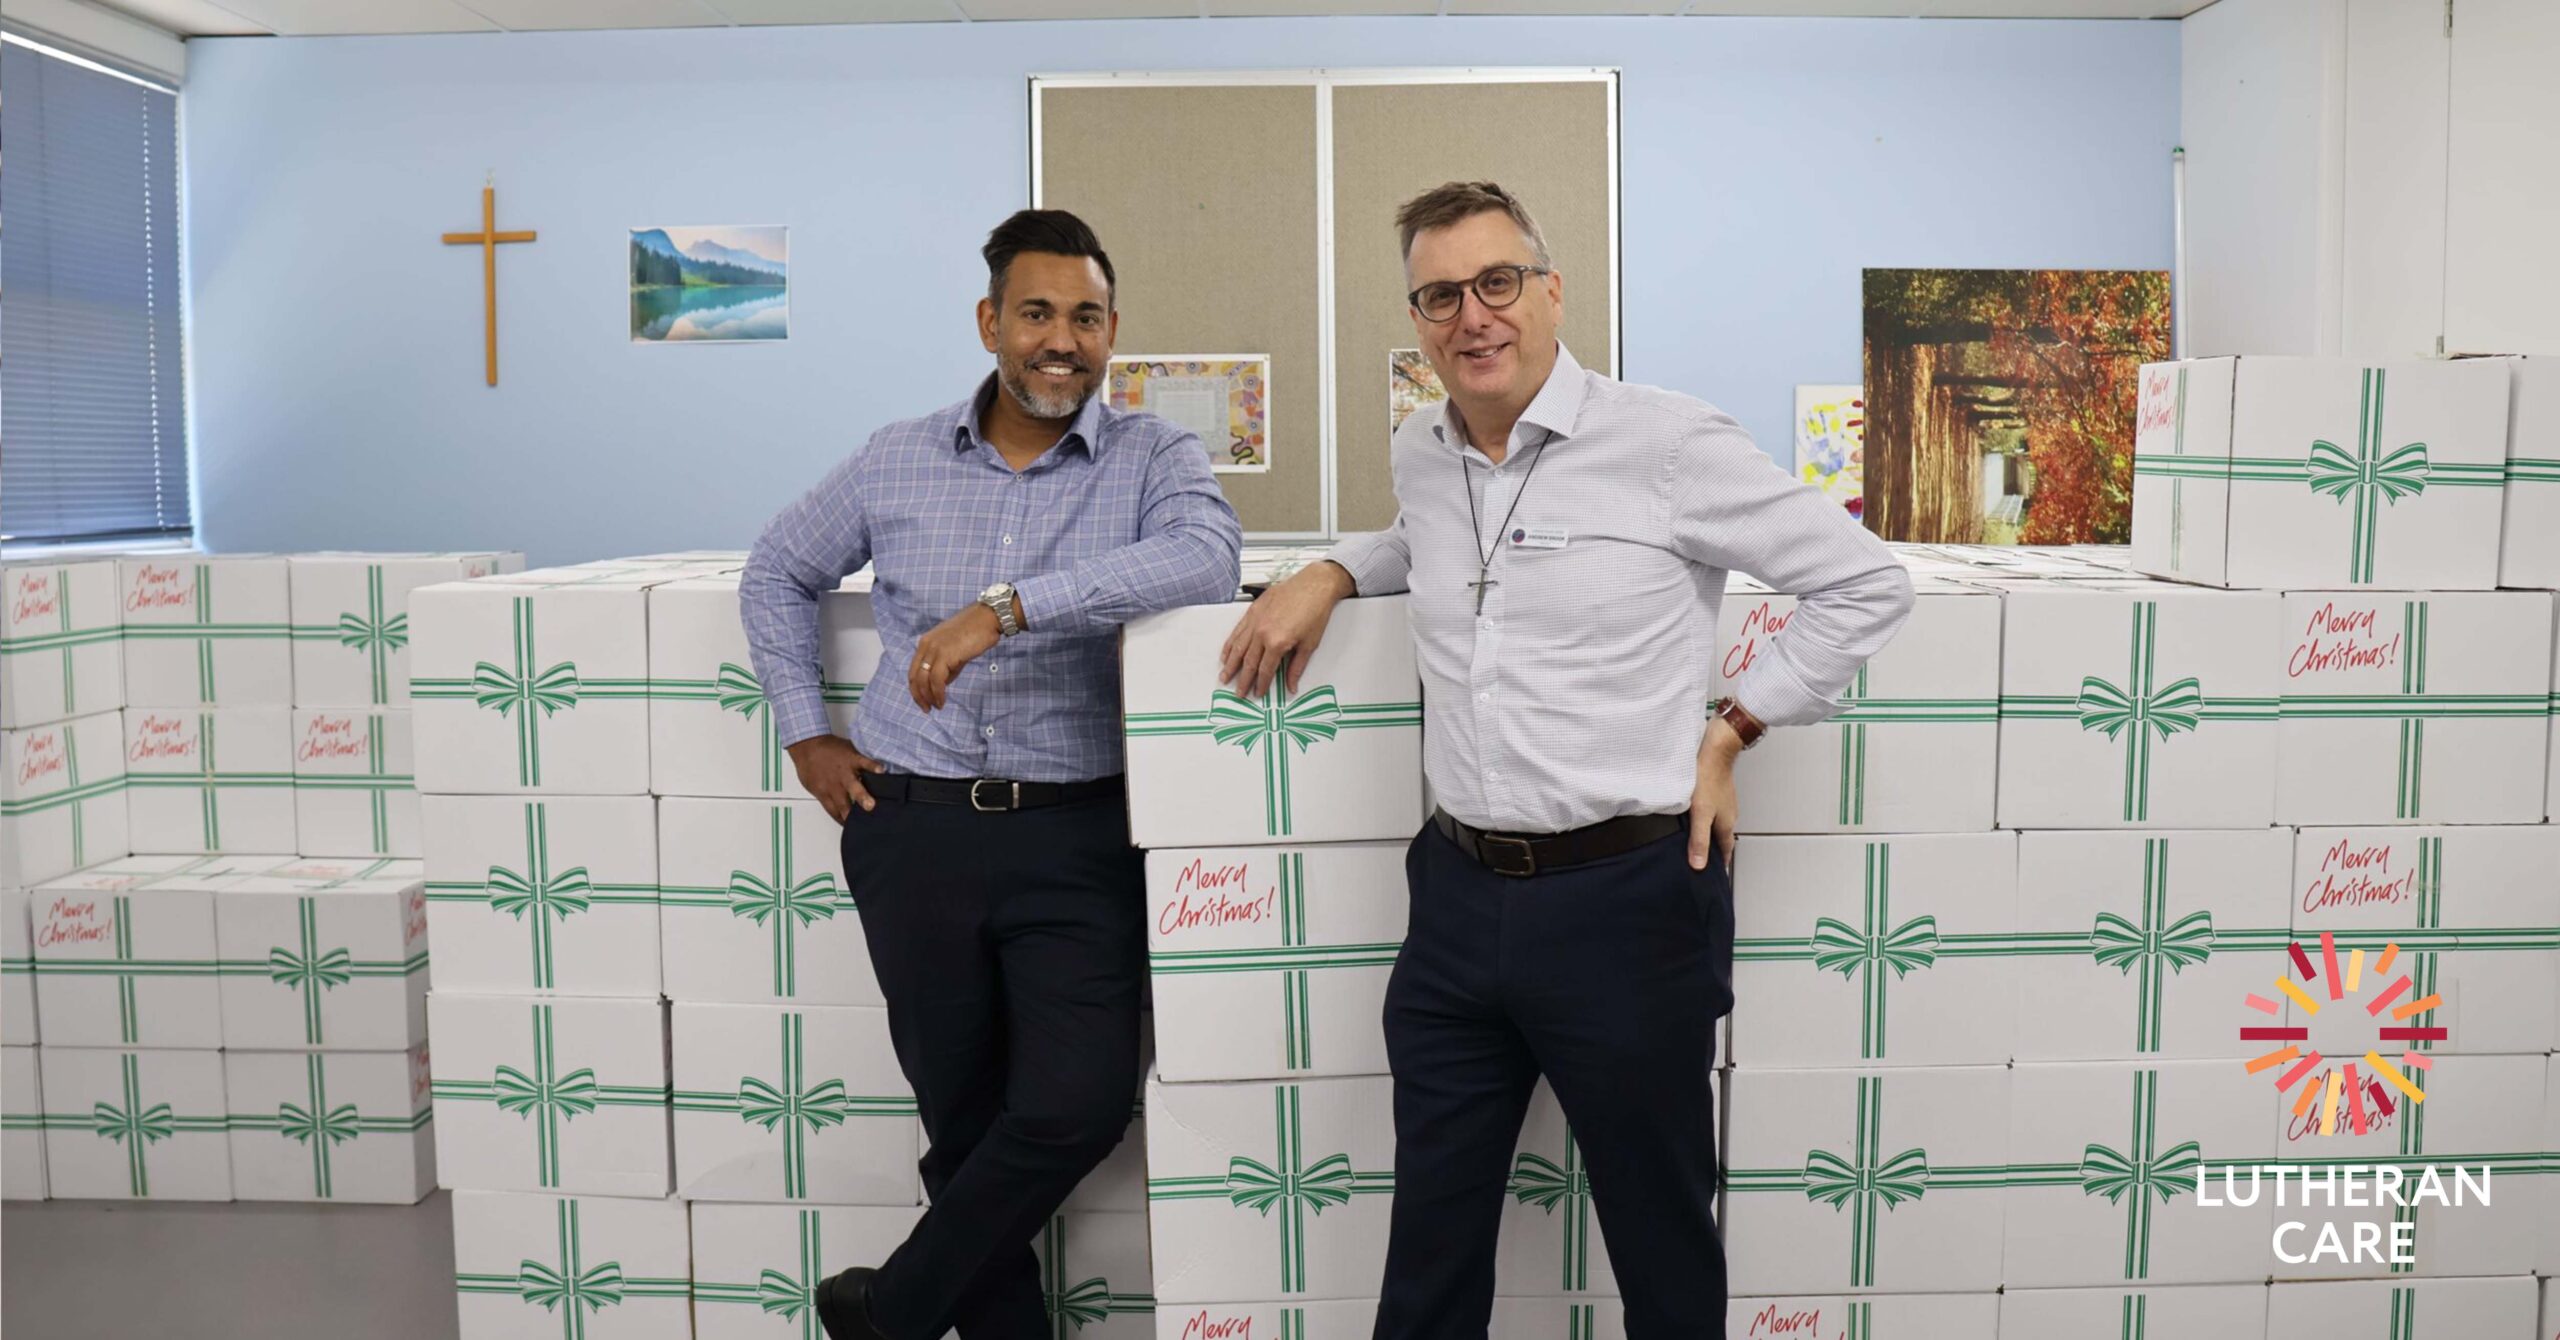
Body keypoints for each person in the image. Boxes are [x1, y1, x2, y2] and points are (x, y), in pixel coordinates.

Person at [1220, 180, 1912, 1339]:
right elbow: (1434, 540)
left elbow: (1863, 580)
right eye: (1438, 296)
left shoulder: (1666, 442)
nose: (1470, 316)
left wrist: (1734, 727)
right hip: (1453, 898)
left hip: (1626, 903)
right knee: (1430, 1242)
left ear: (1549, 289)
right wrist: (1331, 569)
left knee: (1656, 1232)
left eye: (1496, 283)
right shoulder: (1423, 451)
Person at [740, 208, 1244, 1340]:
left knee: (1073, 1105)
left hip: (1073, 832)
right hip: (908, 824)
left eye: (1086, 316)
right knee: (961, 1118)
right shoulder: (896, 455)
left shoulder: (1152, 456)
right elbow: (776, 567)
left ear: (1112, 331)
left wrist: (1006, 607)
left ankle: (896, 1307)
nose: (1060, 339)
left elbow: (1208, 559)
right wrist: (801, 728)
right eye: (1036, 313)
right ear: (989, 323)